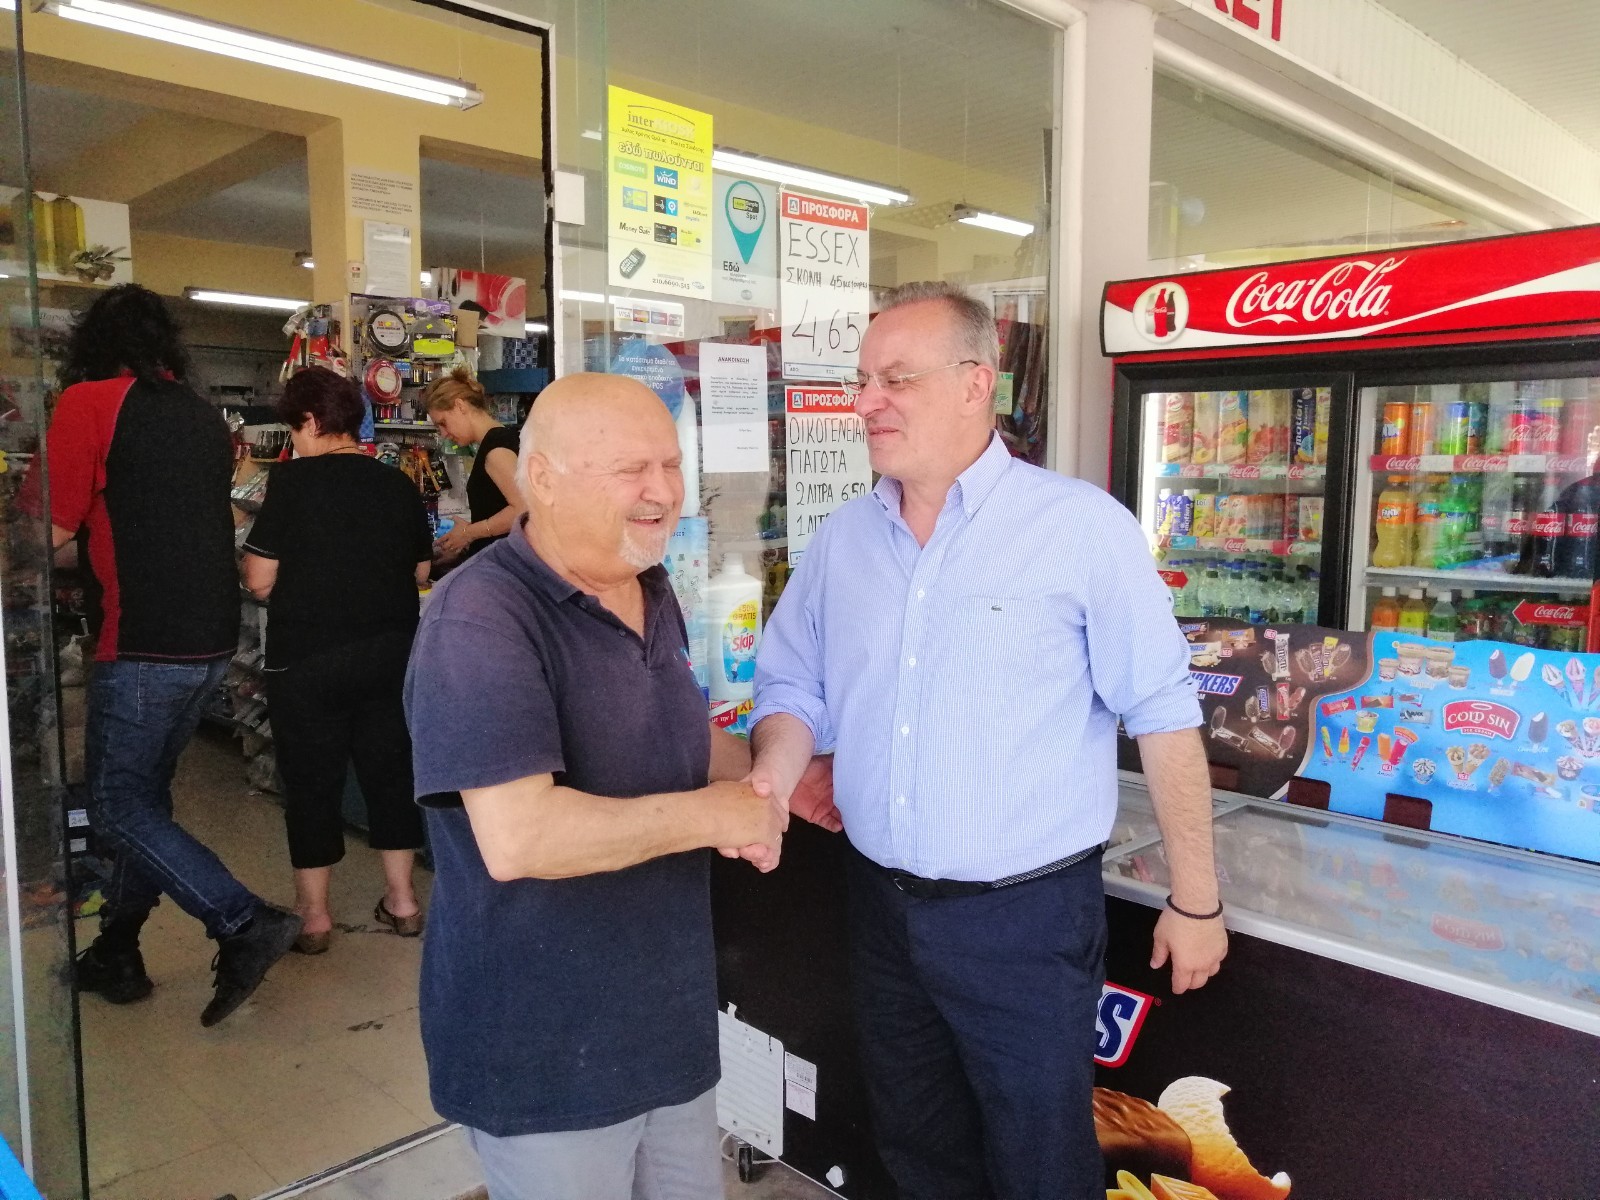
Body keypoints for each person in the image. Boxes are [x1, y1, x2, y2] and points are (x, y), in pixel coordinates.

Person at [749, 281, 1228, 1200]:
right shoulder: (844, 540)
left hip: (1024, 922)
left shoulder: (1079, 528)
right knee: (916, 1145)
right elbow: (792, 684)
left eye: (895, 379)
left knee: (1040, 1159)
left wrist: (1195, 900)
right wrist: (782, 767)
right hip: (880, 905)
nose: (865, 403)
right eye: (861, 381)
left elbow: (1163, 712)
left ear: (977, 383)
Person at [403, 372, 786, 1200]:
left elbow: (679, 739)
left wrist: (782, 769)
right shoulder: (480, 619)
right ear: (541, 479)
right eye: (630, 469)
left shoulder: (649, 586)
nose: (663, 491)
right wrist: (716, 816)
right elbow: (521, 838)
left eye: (670, 465)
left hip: (667, 1029)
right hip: (545, 1056)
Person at [39, 284, 301, 1028]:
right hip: (208, 637)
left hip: (140, 638)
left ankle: (243, 920)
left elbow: (46, 532)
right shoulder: (200, 416)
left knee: (117, 805)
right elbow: (153, 522)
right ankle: (117, 951)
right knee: (143, 801)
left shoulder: (89, 403)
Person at [241, 367, 433, 955]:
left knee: (311, 783)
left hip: (308, 658)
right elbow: (421, 570)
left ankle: (315, 917)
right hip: (390, 654)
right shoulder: (397, 484)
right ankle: (403, 901)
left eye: (294, 428)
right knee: (391, 776)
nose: (294, 440)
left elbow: (259, 578)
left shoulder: (292, 483)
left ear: (311, 421)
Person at [424, 367, 524, 562]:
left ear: (460, 406)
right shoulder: (499, 441)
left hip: (505, 566)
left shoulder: (496, 450)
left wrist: (469, 533)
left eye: (443, 423)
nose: (444, 434)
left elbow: (522, 510)